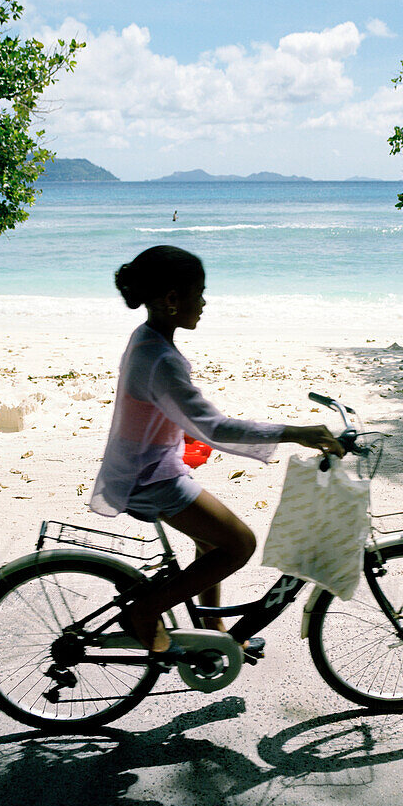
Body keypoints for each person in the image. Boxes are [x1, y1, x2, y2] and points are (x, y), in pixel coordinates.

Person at [90, 245, 343, 658]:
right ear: (172, 299)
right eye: (199, 292)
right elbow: (215, 427)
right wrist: (295, 432)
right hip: (151, 479)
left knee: (211, 543)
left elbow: (167, 412)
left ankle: (214, 630)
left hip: (148, 466)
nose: (205, 302)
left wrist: (180, 432)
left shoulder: (147, 337)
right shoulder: (161, 359)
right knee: (240, 544)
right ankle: (146, 611)